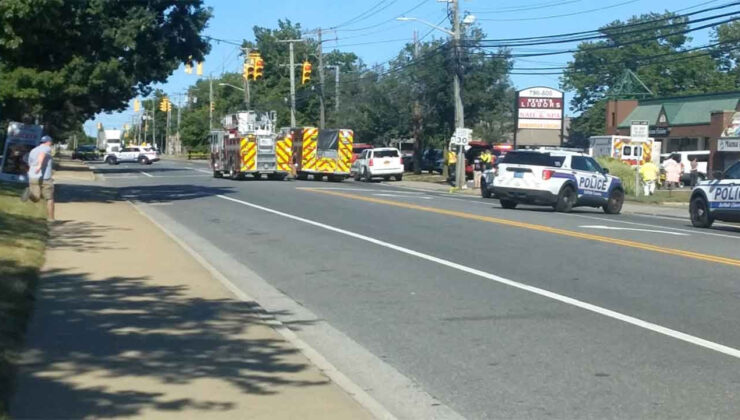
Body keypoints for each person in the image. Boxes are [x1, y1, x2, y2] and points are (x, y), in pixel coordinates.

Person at [21, 135, 55, 220]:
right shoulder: (47, 148)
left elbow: (29, 163)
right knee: (49, 198)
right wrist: (39, 165)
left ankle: (29, 193)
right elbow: (42, 154)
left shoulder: (33, 150)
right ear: (49, 142)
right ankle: (51, 219)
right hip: (45, 178)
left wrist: (30, 172)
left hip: (33, 177)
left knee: (36, 198)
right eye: (50, 143)